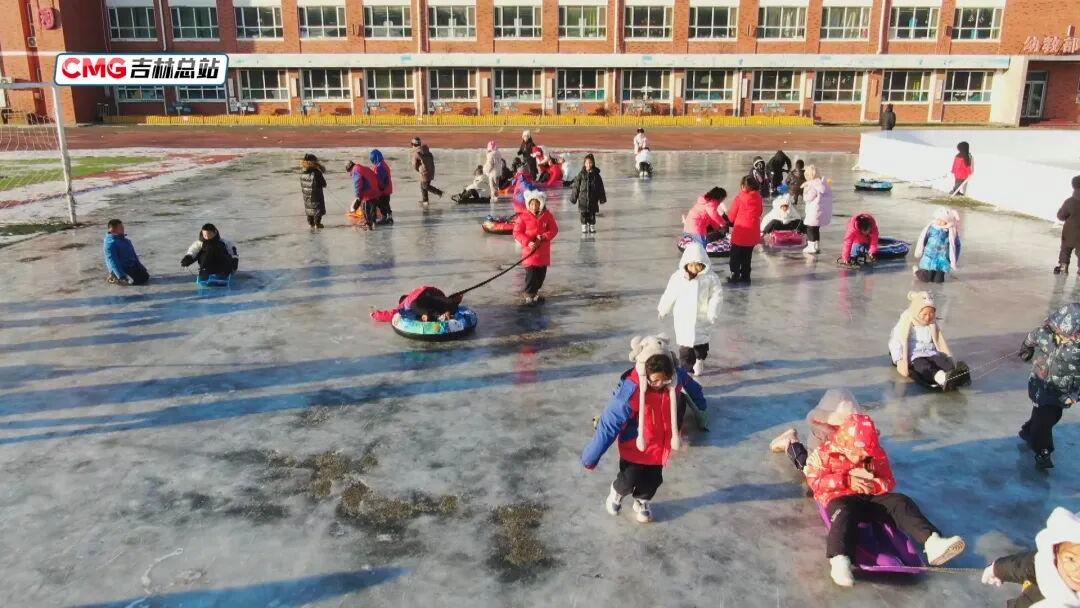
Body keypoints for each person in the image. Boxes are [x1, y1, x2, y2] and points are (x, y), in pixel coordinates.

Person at [803, 413, 966, 587]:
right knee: (845, 513)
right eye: (856, 453)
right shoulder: (825, 453)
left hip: (871, 497)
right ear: (845, 444)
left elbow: (888, 481)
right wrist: (846, 480)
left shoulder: (875, 455)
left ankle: (932, 542)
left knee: (900, 502)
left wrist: (874, 483)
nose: (861, 457)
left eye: (866, 453)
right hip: (841, 498)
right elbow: (814, 480)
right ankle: (840, 560)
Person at [581, 335, 707, 524]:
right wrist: (591, 457)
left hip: (659, 446)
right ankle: (617, 492)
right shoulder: (631, 390)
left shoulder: (675, 378)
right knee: (628, 479)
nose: (660, 385)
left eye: (664, 380)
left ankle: (642, 502)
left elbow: (693, 387)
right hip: (635, 445)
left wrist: (701, 405)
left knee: (652, 481)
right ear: (645, 373)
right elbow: (609, 424)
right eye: (655, 381)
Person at [1018, 303, 1080, 470]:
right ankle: (1040, 446)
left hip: (1061, 392)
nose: (1071, 338)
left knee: (1048, 418)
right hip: (1038, 383)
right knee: (1041, 416)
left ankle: (1035, 439)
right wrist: (1026, 350)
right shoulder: (1044, 334)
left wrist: (1076, 395)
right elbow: (1031, 338)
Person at [981, 507, 1080, 608]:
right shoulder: (1047, 567)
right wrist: (997, 569)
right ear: (1055, 552)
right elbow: (1021, 566)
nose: (1078, 571)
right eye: (1071, 559)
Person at [658, 242, 722, 376]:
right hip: (683, 319)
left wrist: (712, 312)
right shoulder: (678, 277)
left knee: (701, 346)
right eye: (691, 265)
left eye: (698, 265)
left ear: (704, 263)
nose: (694, 268)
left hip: (702, 318)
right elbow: (670, 294)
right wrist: (663, 309)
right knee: (685, 349)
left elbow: (716, 296)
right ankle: (685, 371)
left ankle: (699, 359)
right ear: (686, 263)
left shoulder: (711, 278)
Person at [888, 291, 971, 391]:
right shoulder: (907, 322)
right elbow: (897, 341)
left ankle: (956, 375)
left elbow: (939, 339)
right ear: (917, 311)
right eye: (924, 314)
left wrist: (948, 357)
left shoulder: (932, 322)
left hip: (930, 352)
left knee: (941, 362)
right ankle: (941, 378)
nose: (928, 317)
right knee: (924, 367)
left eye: (931, 314)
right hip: (914, 355)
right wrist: (899, 360)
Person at [769, 388, 860, 473]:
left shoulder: (859, 431)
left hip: (844, 431)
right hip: (823, 433)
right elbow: (812, 468)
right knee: (809, 468)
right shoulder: (821, 429)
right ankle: (790, 442)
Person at [513, 190, 559, 305]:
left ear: (541, 204)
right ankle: (528, 295)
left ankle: (534, 293)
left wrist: (544, 236)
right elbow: (517, 232)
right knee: (531, 276)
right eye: (532, 204)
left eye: (536, 204)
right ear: (528, 204)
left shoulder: (547, 215)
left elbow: (554, 230)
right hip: (530, 253)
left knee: (540, 277)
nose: (534, 207)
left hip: (543, 253)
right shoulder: (523, 217)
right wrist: (528, 242)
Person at [725, 175, 764, 285]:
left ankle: (735, 274)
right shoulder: (758, 197)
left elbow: (732, 215)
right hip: (752, 231)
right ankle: (746, 276)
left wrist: (729, 221)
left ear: (743, 186)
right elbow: (759, 212)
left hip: (741, 232)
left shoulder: (740, 198)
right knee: (747, 256)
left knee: (735, 256)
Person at [914, 207, 961, 283]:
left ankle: (936, 277)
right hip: (930, 256)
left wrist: (954, 259)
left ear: (947, 221)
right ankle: (916, 272)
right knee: (926, 278)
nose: (939, 222)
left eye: (942, 220)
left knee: (939, 281)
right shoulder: (932, 228)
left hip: (942, 258)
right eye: (938, 219)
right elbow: (923, 238)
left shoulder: (951, 231)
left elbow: (956, 245)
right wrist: (920, 250)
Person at [371, 285, 463, 323]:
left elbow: (390, 314)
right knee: (440, 303)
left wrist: (374, 315)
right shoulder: (416, 291)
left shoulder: (405, 303)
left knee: (414, 306)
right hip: (433, 295)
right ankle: (450, 305)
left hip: (422, 300)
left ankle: (439, 315)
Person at [103, 219, 149, 286]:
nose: (123, 229)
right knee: (137, 281)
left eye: (123, 227)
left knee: (145, 276)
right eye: (121, 228)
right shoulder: (110, 243)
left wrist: (141, 266)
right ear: (112, 229)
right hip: (122, 268)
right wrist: (121, 276)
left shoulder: (125, 240)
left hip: (130, 265)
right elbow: (113, 261)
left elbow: (134, 255)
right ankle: (114, 277)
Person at [569, 153, 606, 234]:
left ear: (593, 163)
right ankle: (584, 225)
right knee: (583, 213)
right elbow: (576, 187)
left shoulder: (596, 175)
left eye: (590, 163)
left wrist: (602, 198)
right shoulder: (581, 174)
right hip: (583, 198)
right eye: (587, 163)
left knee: (592, 213)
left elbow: (600, 187)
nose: (588, 164)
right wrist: (573, 198)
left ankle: (592, 225)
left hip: (593, 198)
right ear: (584, 163)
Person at [801, 164, 833, 255]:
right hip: (822, 212)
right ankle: (816, 245)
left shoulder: (813, 186)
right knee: (816, 228)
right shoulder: (824, 184)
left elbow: (808, 198)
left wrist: (805, 192)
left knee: (810, 228)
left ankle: (811, 246)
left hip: (814, 212)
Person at [1054, 176, 1080, 275]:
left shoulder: (1070, 201)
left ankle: (1063, 267)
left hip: (1069, 233)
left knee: (1065, 249)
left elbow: (1060, 216)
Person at [348, 159, 382, 230]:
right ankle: (373, 222)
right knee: (373, 209)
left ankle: (369, 224)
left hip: (368, 192)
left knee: (365, 209)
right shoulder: (364, 168)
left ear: (350, 169)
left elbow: (358, 183)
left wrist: (358, 196)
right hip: (375, 190)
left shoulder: (356, 170)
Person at [411, 138, 443, 204]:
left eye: (412, 144)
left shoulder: (416, 153)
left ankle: (439, 192)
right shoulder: (427, 151)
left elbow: (414, 165)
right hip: (431, 170)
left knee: (425, 186)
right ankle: (425, 201)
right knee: (423, 185)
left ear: (413, 145)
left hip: (424, 172)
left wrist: (418, 169)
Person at [299, 153, 327, 229]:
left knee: (309, 208)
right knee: (318, 208)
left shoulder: (303, 172)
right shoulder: (316, 172)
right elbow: (323, 184)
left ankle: (311, 223)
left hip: (306, 195)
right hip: (316, 195)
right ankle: (317, 223)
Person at [369, 149, 394, 226]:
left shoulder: (379, 167)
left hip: (383, 190)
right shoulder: (383, 164)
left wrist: (379, 189)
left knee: (382, 204)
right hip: (387, 189)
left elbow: (381, 180)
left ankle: (384, 218)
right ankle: (389, 217)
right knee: (386, 203)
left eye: (372, 159)